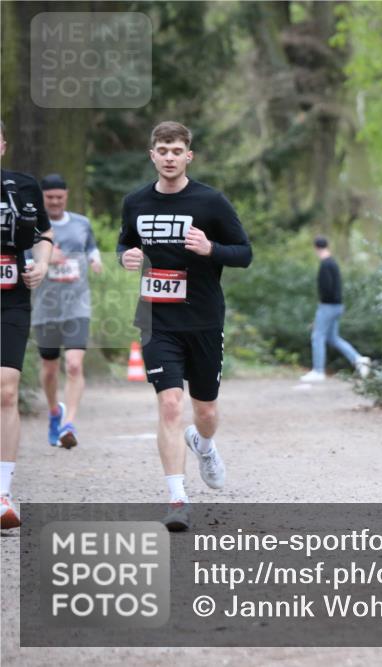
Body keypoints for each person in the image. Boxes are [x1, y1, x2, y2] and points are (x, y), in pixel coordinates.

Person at [117, 121, 252, 531]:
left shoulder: (211, 202)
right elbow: (126, 241)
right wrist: (126, 255)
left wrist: (211, 249)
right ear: (152, 155)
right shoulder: (136, 202)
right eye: (163, 150)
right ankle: (177, 498)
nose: (170, 157)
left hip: (204, 320)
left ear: (188, 155)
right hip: (158, 320)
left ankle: (204, 444)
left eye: (177, 150)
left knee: (205, 410)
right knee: (170, 404)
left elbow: (244, 253)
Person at [1, 121, 54, 529]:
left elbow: (44, 235)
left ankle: (2, 493)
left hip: (12, 298)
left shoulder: (23, 186)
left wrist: (42, 264)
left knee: (6, 387)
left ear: (3, 145)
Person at [33, 173, 103, 449]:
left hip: (77, 305)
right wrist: (47, 258)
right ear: (43, 198)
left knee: (74, 364)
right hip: (46, 307)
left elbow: (91, 246)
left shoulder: (81, 223)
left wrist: (95, 259)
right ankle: (54, 412)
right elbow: (25, 257)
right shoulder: (36, 226)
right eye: (49, 198)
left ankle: (68, 424)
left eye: (59, 198)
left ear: (66, 196)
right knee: (50, 369)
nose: (54, 202)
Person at [299, 236, 371, 382]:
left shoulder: (325, 265)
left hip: (328, 306)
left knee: (317, 336)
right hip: (337, 306)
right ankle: (359, 359)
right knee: (333, 338)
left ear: (316, 248)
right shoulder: (333, 263)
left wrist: (322, 309)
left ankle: (318, 371)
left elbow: (326, 289)